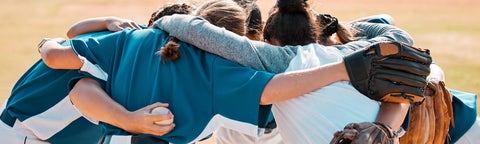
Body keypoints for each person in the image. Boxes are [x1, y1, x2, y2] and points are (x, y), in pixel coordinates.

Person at [38, 0, 430, 143]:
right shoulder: (229, 74)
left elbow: (69, 71)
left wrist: (158, 22)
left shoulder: (134, 39)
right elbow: (391, 28)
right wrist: (345, 54)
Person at [152, 0, 425, 143]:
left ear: (271, 41)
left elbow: (193, 29)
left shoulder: (278, 61)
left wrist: (162, 20)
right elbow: (399, 37)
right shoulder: (352, 54)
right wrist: (341, 26)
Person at [0, 3, 200, 143]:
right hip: (25, 131)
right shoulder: (135, 51)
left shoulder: (145, 43)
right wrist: (129, 119)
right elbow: (81, 91)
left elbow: (73, 32)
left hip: (48, 132)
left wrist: (107, 20)